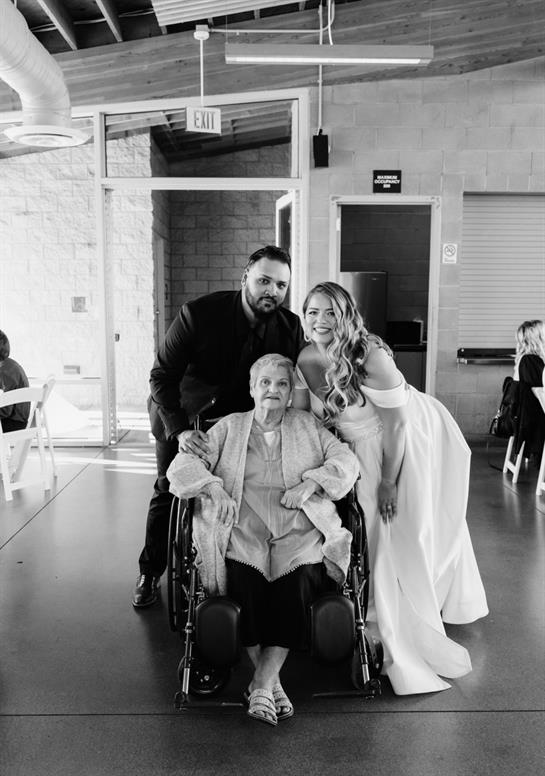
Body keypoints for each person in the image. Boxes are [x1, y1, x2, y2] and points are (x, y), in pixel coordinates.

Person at [293, 281, 489, 695]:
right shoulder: (306, 356)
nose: (320, 321)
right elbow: (303, 419)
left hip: (399, 441)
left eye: (330, 312)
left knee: (397, 525)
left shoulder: (370, 355)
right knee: (367, 528)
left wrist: (387, 483)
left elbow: (398, 424)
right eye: (312, 312)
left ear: (345, 316)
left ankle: (388, 618)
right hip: (349, 450)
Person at [167, 354, 359, 725]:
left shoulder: (308, 426)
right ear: (252, 389)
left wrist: (311, 483)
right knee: (243, 585)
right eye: (266, 383)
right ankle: (272, 685)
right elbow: (182, 466)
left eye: (282, 384)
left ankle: (261, 683)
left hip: (297, 526)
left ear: (290, 395)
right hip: (242, 525)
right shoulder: (229, 427)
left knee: (299, 585)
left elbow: (346, 461)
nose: (273, 390)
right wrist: (213, 487)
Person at [133, 246, 305, 608]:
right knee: (170, 488)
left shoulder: (290, 327)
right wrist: (180, 430)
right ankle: (150, 570)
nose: (271, 290)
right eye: (263, 281)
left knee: (242, 490)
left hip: (239, 425)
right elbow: (161, 377)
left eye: (280, 284)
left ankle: (234, 569)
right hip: (184, 413)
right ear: (246, 278)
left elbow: (305, 376)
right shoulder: (198, 314)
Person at [513, 320, 545, 459]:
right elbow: (540, 392)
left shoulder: (526, 359)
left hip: (528, 416)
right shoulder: (531, 361)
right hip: (535, 418)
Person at [0, 329, 30, 432]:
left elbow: (5, 410)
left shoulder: (5, 372)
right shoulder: (8, 365)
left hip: (13, 423)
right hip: (16, 420)